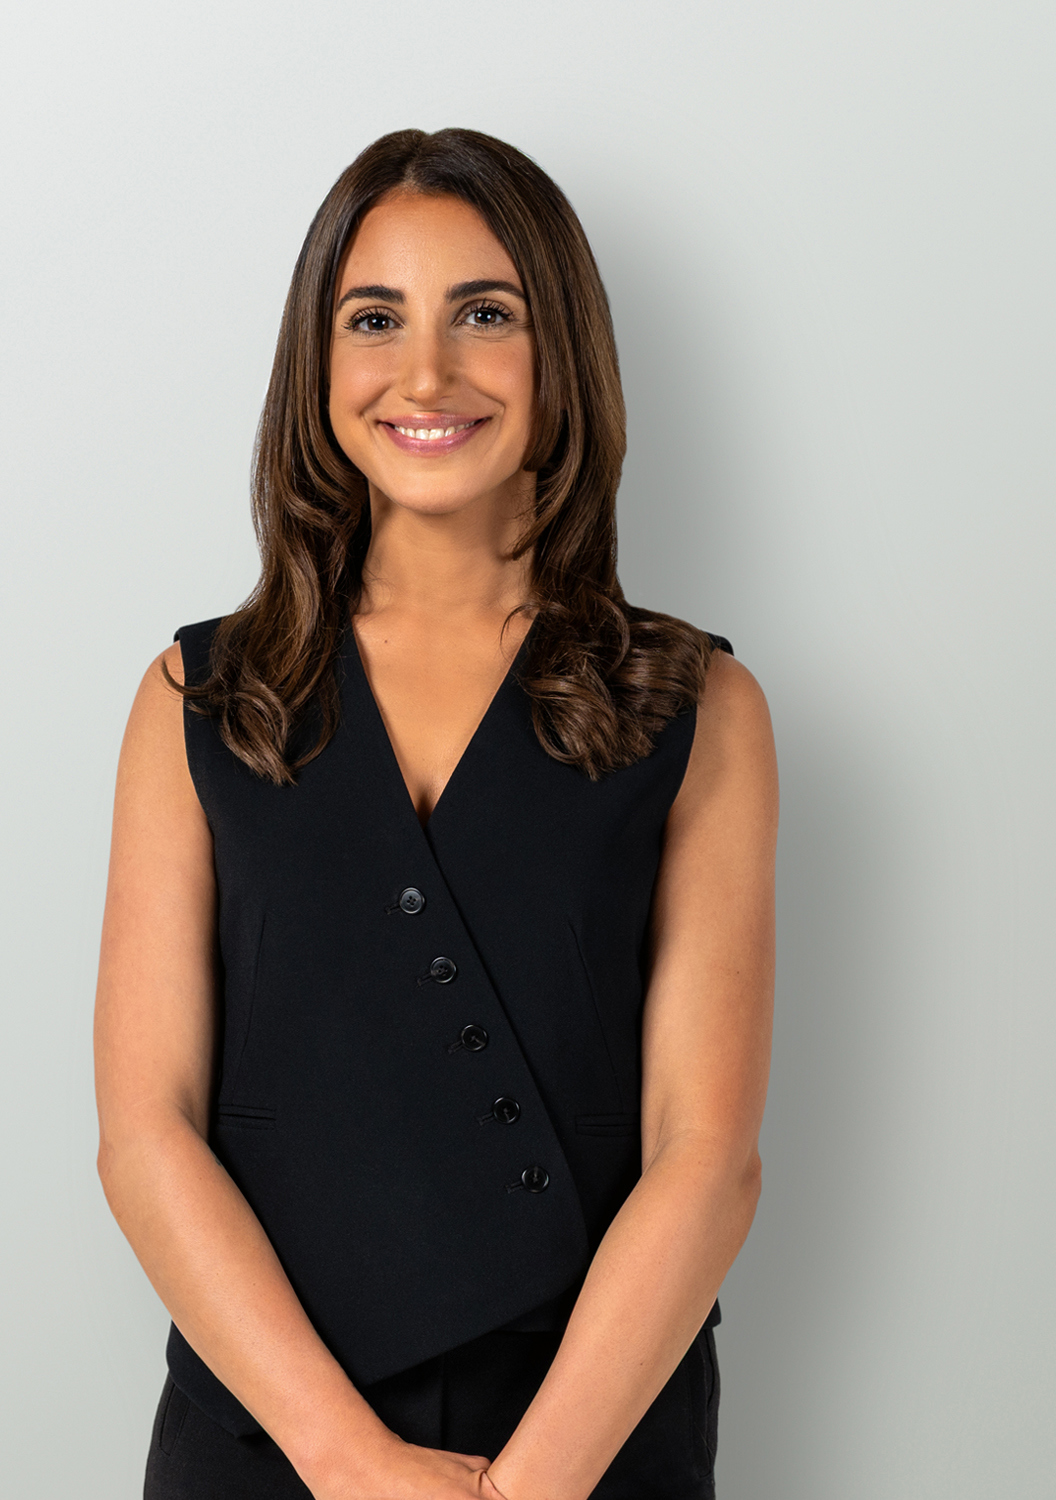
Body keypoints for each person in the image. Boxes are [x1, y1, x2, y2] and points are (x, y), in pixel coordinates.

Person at [93, 127, 777, 1500]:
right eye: (374, 319)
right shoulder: (196, 700)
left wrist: (529, 1488)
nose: (425, 373)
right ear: (318, 364)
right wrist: (344, 1457)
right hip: (272, 1432)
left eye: (484, 313)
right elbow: (146, 1131)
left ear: (560, 350)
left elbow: (705, 1154)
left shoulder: (699, 705)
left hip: (591, 1434)